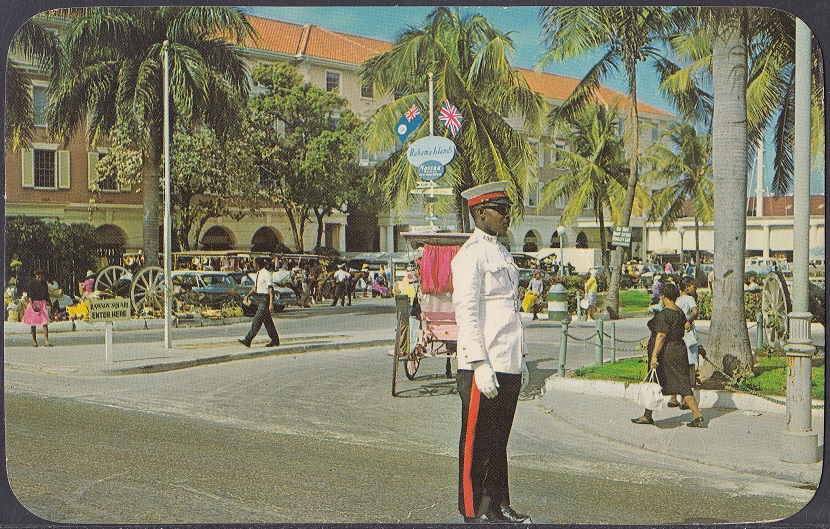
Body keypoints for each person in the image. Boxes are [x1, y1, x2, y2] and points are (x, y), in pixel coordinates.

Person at [452, 181, 530, 524]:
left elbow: (509, 312)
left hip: (507, 360)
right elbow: (466, 312)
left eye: (508, 210)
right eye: (501, 210)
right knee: (477, 442)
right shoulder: (470, 255)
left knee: (498, 442)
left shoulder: (502, 253)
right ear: (481, 213)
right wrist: (479, 363)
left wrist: (520, 359)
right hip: (483, 365)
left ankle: (498, 505)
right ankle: (475, 510)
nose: (507, 216)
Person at [632, 282, 704, 428]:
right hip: (679, 350)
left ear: (663, 296)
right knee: (682, 382)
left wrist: (654, 356)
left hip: (666, 353)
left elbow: (661, 336)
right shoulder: (679, 312)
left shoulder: (664, 315)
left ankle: (648, 415)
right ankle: (696, 414)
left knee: (654, 381)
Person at [668, 277, 700, 409]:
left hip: (677, 334)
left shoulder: (677, 300)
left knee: (678, 365)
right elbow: (695, 311)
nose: (695, 289)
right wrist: (689, 321)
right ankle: (684, 399)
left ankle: (673, 397)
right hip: (688, 334)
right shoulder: (689, 299)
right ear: (687, 288)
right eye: (693, 286)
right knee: (688, 365)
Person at [238, 257, 280, 348]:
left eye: (254, 264)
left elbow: (270, 289)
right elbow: (255, 287)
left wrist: (271, 303)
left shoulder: (266, 274)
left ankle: (248, 339)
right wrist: (248, 295)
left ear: (258, 264)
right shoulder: (258, 273)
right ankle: (275, 340)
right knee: (268, 322)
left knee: (257, 319)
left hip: (265, 299)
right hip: (259, 299)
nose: (253, 265)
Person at [22, 268, 52, 347]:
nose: (40, 276)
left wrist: (48, 302)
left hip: (42, 303)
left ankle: (46, 341)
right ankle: (34, 341)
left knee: (45, 322)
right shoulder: (31, 283)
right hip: (34, 303)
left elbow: (46, 294)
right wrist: (33, 305)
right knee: (33, 323)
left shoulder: (44, 283)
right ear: (35, 275)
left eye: (41, 275)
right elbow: (29, 296)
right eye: (38, 275)